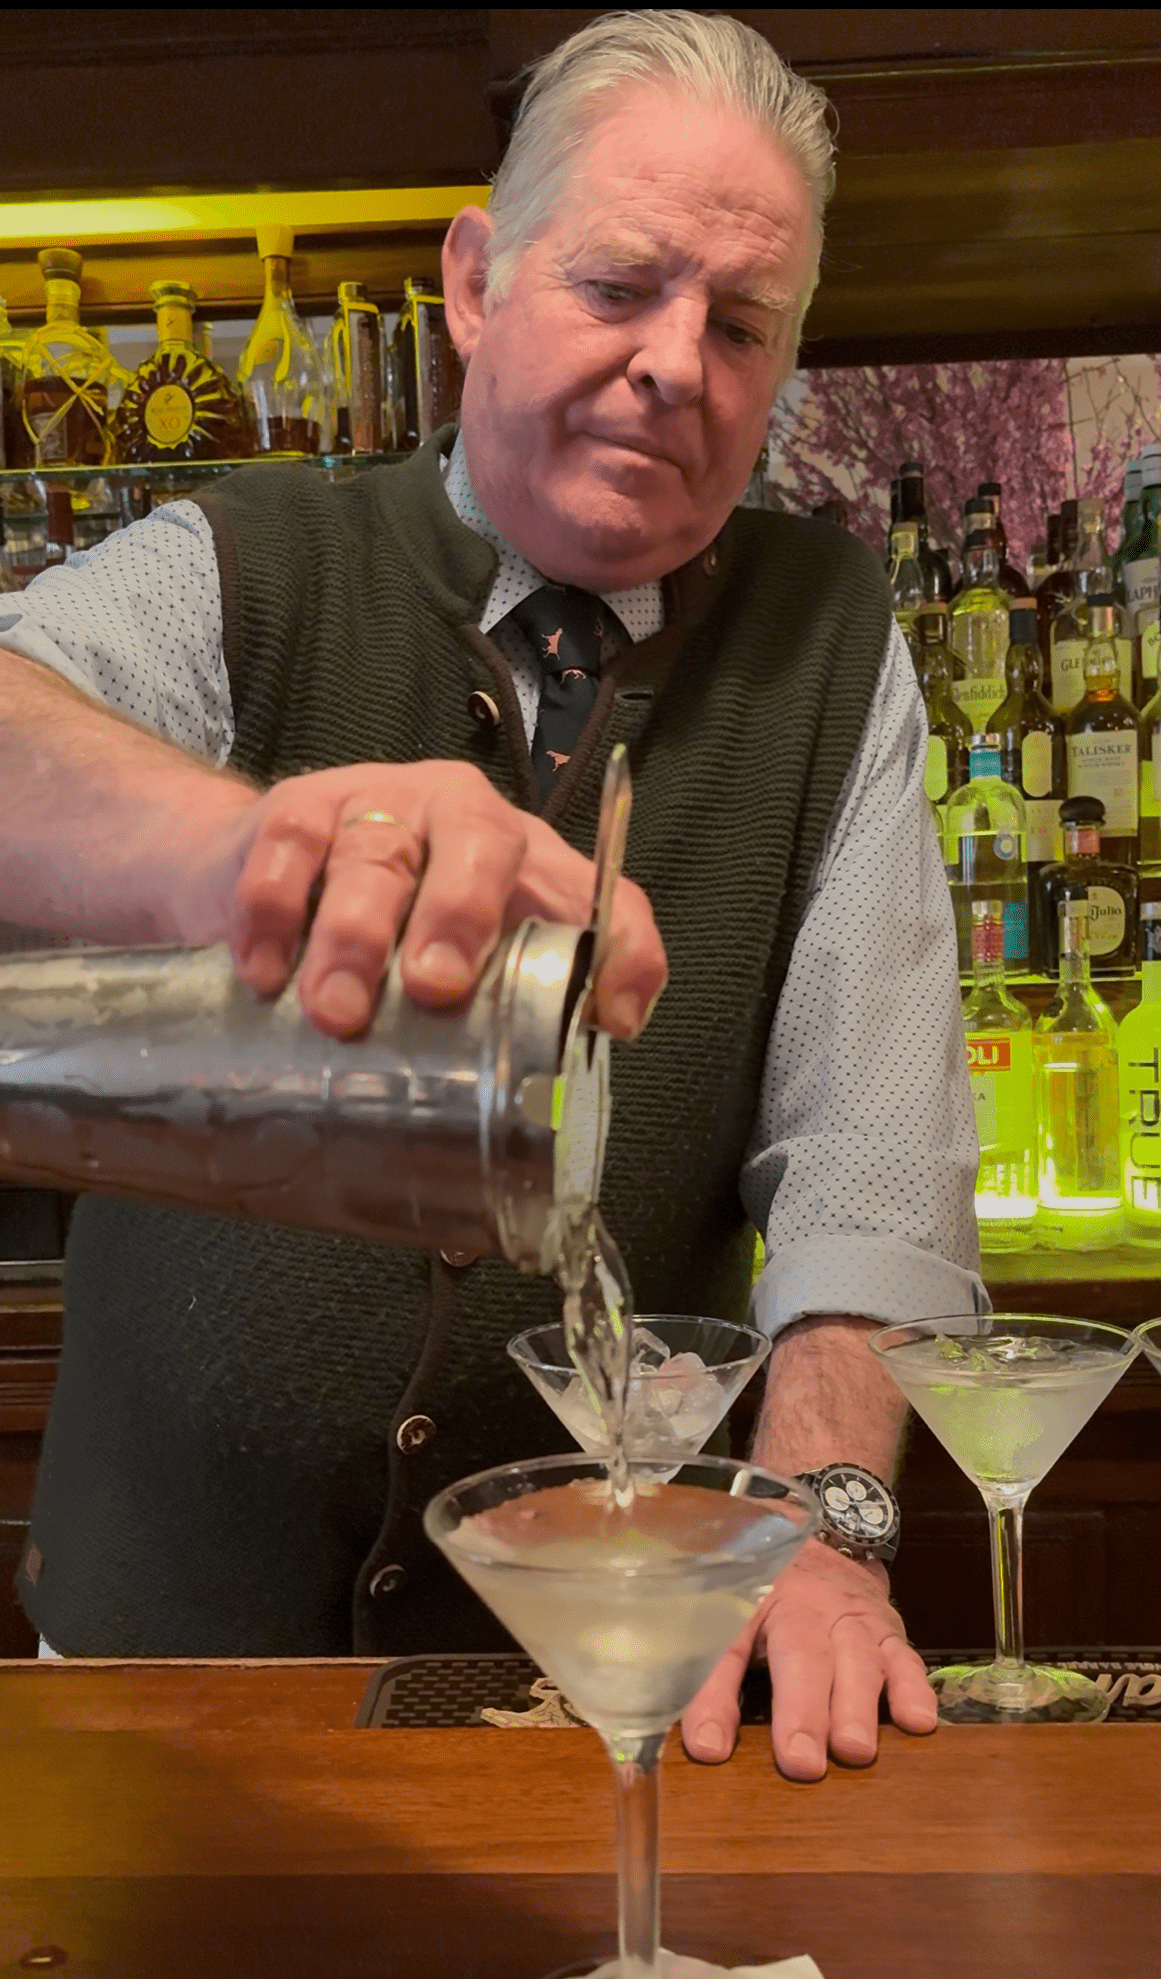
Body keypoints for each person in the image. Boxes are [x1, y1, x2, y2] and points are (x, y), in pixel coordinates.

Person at [0, 10, 983, 1779]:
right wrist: (248, 851)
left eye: (741, 325)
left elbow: (871, 1155)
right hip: (161, 1673)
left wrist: (821, 1524)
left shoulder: (833, 644)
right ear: (473, 281)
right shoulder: (241, 566)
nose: (675, 364)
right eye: (620, 286)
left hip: (599, 1682)